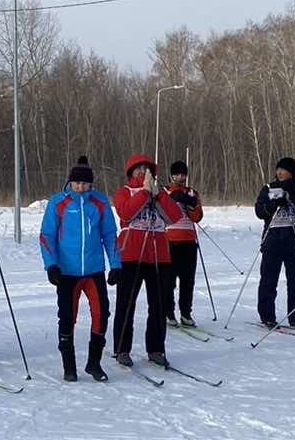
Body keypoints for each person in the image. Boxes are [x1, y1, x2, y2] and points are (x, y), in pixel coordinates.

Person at [40, 156, 120, 382]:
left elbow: (109, 235)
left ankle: (94, 363)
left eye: (85, 184)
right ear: (70, 182)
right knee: (67, 316)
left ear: (91, 184)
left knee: (101, 314)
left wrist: (115, 264)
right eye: (77, 184)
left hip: (93, 270)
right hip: (67, 272)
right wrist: (51, 264)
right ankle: (69, 366)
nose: (80, 188)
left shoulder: (100, 202)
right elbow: (47, 236)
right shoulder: (58, 203)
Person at [112, 153, 185, 368]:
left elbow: (173, 217)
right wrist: (144, 193)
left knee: (159, 304)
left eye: (148, 170)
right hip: (131, 254)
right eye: (139, 170)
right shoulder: (125, 192)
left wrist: (158, 195)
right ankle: (122, 349)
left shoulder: (159, 192)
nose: (144, 173)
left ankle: (155, 348)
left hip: (158, 255)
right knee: (126, 304)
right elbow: (126, 212)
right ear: (132, 173)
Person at [254, 157, 295, 330]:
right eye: (278, 170)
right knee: (268, 281)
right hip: (272, 241)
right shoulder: (268, 188)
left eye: (285, 170)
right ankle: (267, 316)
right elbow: (260, 212)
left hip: (294, 241)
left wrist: (294, 196)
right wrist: (274, 204)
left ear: (292, 173)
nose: (280, 173)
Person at [161, 160, 205, 327]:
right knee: (169, 280)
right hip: (169, 241)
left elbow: (197, 217)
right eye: (177, 174)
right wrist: (172, 199)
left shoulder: (192, 193)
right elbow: (161, 212)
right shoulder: (165, 191)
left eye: (183, 174)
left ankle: (186, 313)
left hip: (188, 241)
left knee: (188, 280)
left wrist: (191, 204)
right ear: (172, 175)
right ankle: (168, 312)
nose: (180, 177)